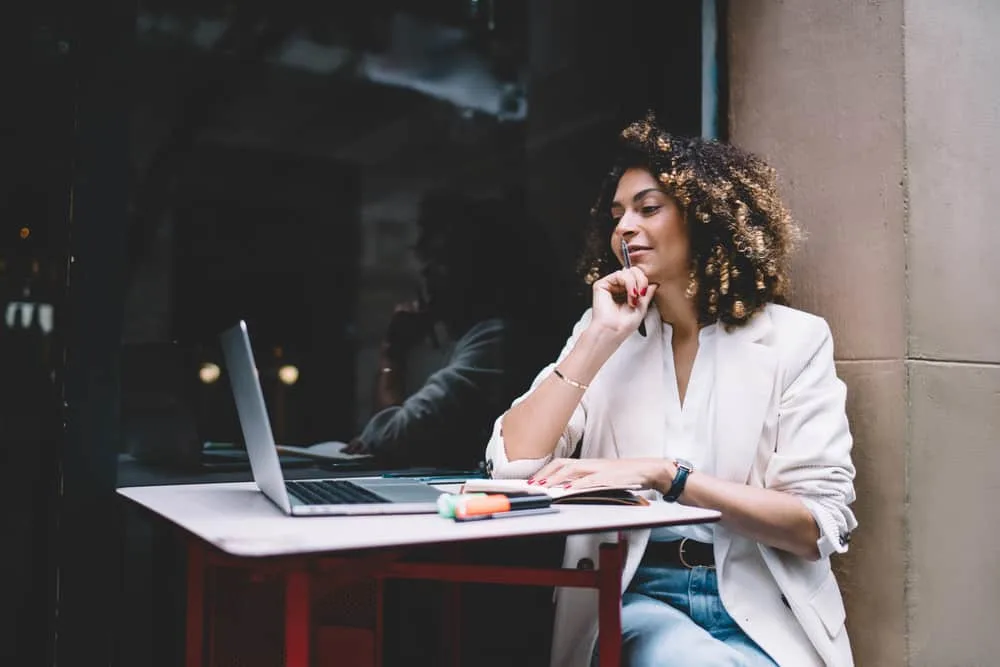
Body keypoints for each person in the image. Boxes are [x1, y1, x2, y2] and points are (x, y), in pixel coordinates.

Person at [483, 113, 858, 667]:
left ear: (706, 217)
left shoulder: (795, 340)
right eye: (617, 215)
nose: (624, 228)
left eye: (647, 208)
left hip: (764, 604)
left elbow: (814, 524)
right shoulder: (607, 338)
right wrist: (597, 338)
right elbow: (513, 460)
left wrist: (667, 476)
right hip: (636, 594)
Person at [346, 190, 569, 469]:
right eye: (426, 258)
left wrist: (393, 354)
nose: (427, 272)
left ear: (480, 268)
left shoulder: (497, 340)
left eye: (442, 259)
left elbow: (394, 440)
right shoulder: (457, 339)